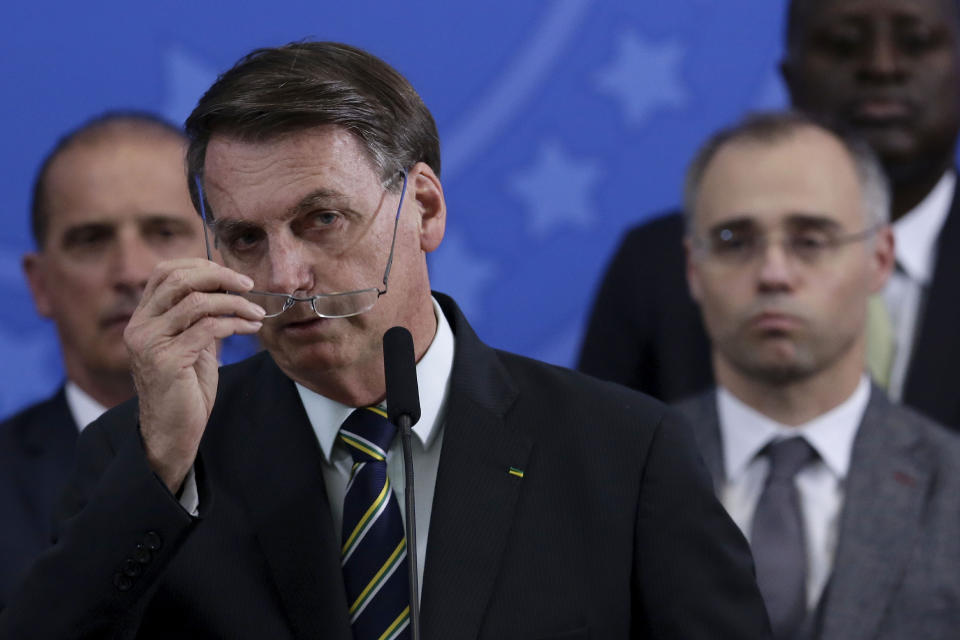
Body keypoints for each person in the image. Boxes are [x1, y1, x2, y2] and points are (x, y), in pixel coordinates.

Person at [0, 42, 771, 639]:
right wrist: (162, 466)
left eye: (321, 220)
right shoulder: (145, 462)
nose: (286, 274)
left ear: (425, 207)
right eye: (242, 238)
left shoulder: (624, 452)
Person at [578, 0, 960, 429]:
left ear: (881, 257)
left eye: (917, 42)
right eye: (842, 43)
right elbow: (593, 465)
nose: (881, 66)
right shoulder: (654, 262)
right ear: (789, 78)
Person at [676, 111, 960, 639]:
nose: (774, 274)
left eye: (811, 240)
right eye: (736, 241)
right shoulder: (607, 484)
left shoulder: (953, 487)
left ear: (880, 259)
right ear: (694, 269)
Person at [0, 112, 205, 610]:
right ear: (40, 283)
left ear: (220, 256)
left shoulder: (306, 452)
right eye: (91, 240)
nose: (131, 272)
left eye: (163, 232)